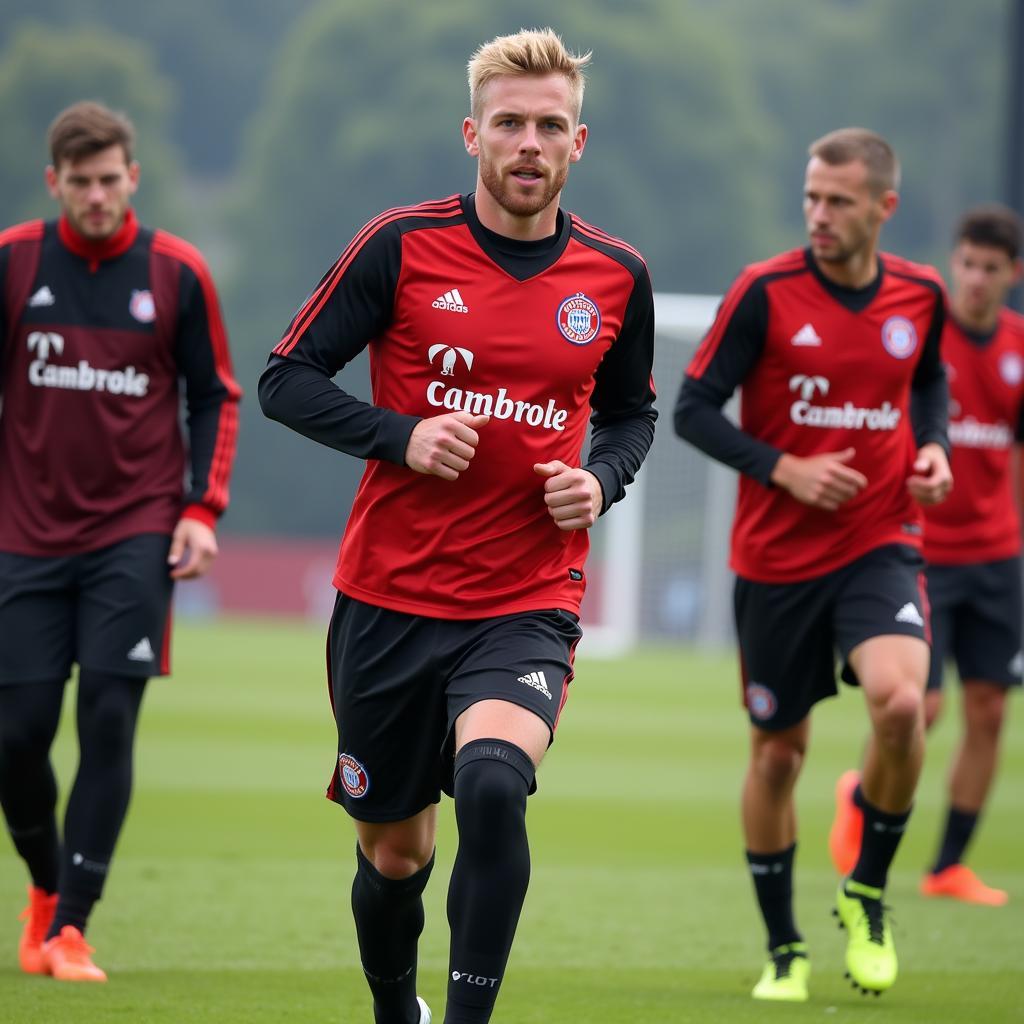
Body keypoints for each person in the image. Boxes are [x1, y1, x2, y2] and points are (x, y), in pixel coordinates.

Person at [259, 28, 655, 1024]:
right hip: (388, 598)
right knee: (395, 854)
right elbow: (284, 380)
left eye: (550, 126)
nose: (530, 142)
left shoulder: (615, 276)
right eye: (511, 123)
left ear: (579, 143)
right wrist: (400, 436)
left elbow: (632, 412)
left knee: (490, 781)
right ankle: (399, 1009)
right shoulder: (400, 245)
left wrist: (601, 481)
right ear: (472, 133)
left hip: (525, 597)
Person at [674, 128, 951, 1002]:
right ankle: (785, 947)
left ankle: (866, 890)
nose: (819, 215)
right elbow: (691, 408)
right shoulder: (765, 291)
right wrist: (782, 467)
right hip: (775, 560)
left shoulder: (921, 294)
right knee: (779, 759)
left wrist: (935, 449)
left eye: (838, 201)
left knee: (902, 703)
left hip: (880, 540)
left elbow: (931, 379)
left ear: (883, 207)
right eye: (811, 198)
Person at [0, 101, 240, 982]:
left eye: (112, 180)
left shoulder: (175, 272)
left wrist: (199, 510)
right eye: (81, 182)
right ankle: (42, 891)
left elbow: (215, 394)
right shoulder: (15, 261)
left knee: (107, 716)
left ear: (132, 178)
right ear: (54, 182)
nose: (98, 196)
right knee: (16, 738)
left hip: (134, 533)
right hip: (22, 533)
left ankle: (71, 928)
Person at [830, 205, 1024, 906]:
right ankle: (861, 799)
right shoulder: (917, 334)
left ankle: (947, 867)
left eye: (990, 269)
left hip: (997, 558)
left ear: (1011, 275)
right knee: (924, 707)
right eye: (966, 264)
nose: (974, 280)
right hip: (919, 552)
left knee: (990, 712)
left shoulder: (1018, 348)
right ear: (953, 262)